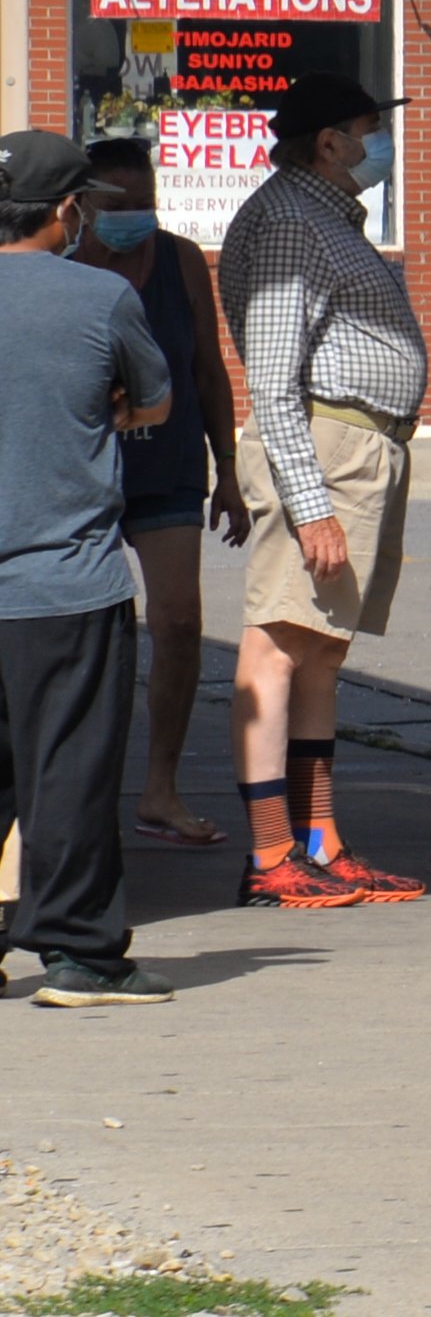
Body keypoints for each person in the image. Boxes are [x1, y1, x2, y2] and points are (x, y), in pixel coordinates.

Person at [213, 72, 428, 909]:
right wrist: (310, 503)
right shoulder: (290, 221)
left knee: (320, 645)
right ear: (329, 142)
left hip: (358, 450)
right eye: (369, 130)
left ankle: (317, 841)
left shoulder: (322, 216)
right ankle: (272, 856)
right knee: (275, 643)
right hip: (323, 447)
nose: (382, 145)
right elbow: (271, 381)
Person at [0, 128, 177, 1003]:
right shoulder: (99, 297)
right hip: (64, 583)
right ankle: (79, 954)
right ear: (67, 211)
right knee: (67, 768)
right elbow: (154, 399)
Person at [70, 140, 240, 849]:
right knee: (90, 635)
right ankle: (76, 798)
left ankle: (161, 790)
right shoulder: (64, 266)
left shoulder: (178, 261)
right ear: (81, 205)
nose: (135, 217)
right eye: (119, 205)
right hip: (82, 472)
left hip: (167, 466)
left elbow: (207, 368)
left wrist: (228, 468)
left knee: (175, 622)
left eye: (146, 203)